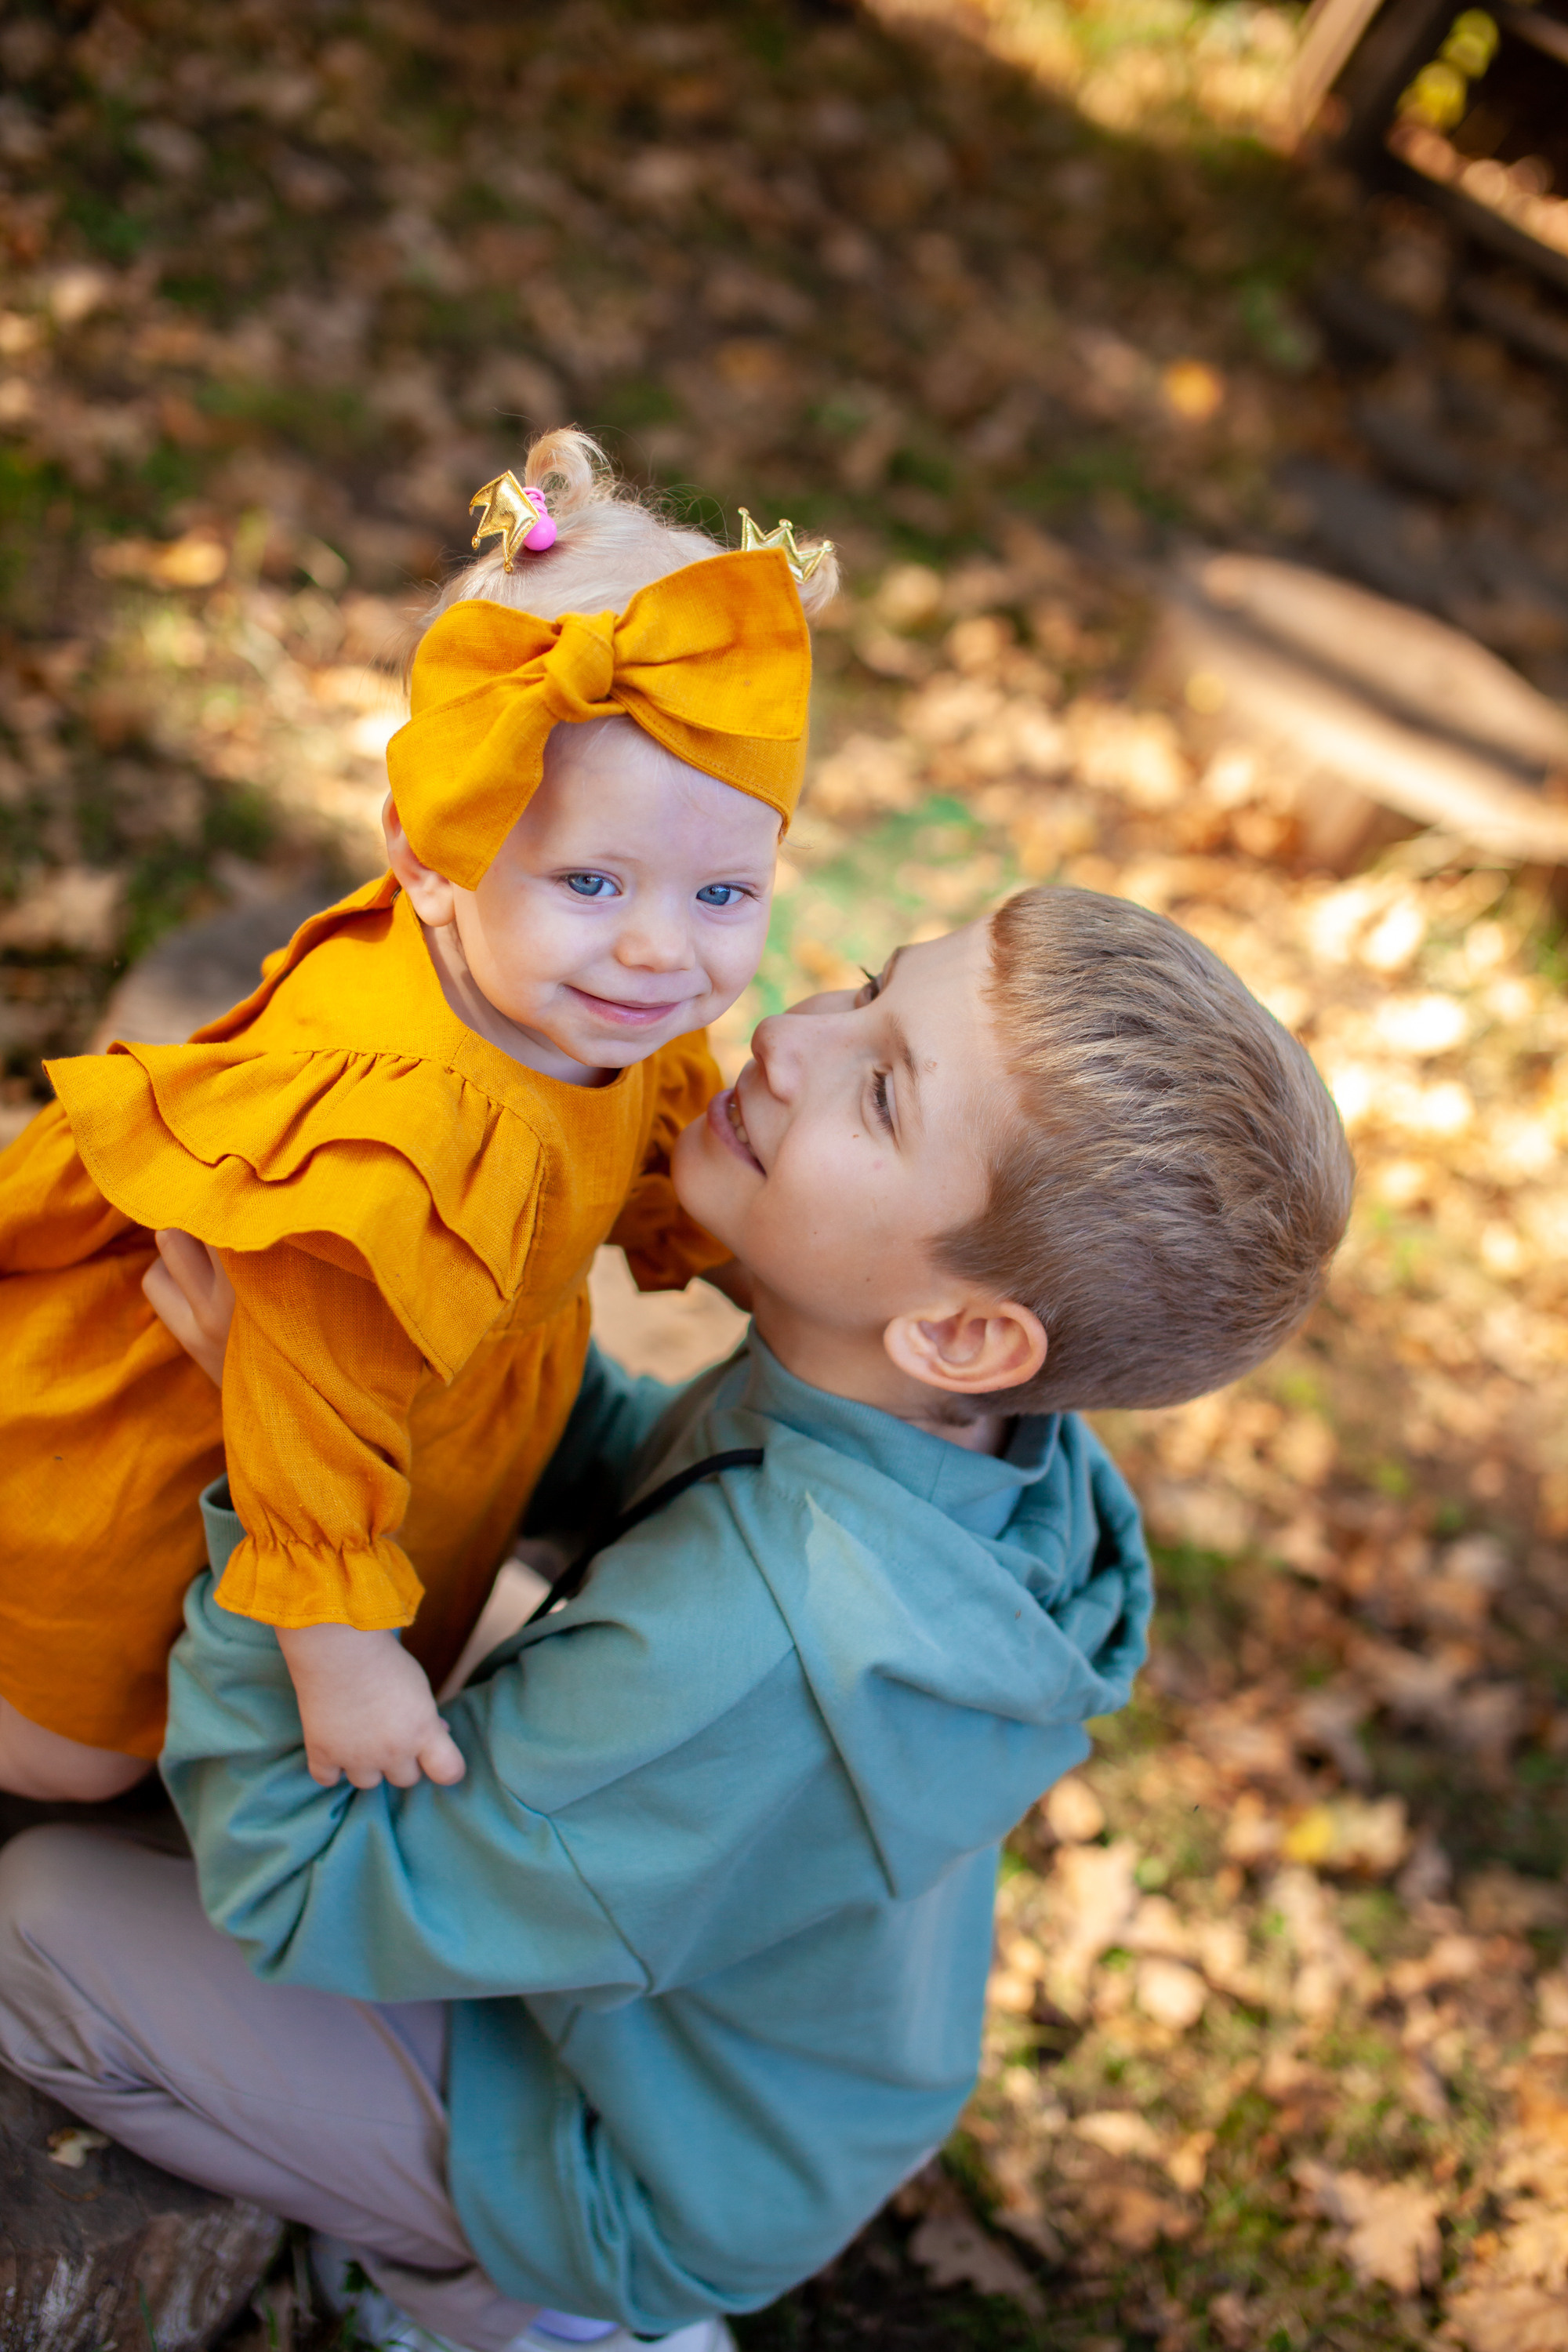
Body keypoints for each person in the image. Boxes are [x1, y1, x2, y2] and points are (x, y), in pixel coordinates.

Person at [0, 885, 1353, 2350]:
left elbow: (301, 1882)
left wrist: (296, 1462)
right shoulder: (940, 1431)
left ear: (964, 1332)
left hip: (626, 2155)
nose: (789, 1039)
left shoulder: (754, 1647)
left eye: (882, 1092)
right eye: (867, 986)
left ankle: (510, 2302)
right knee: (465, 1672)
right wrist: (400, 1338)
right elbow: (628, 1462)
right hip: (736, 2050)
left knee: (41, 1926)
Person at [0, 426, 838, 1804]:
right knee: (70, 1749)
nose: (661, 952)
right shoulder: (403, 1133)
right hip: (201, 1443)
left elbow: (652, 1163)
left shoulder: (596, 1011)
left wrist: (799, 1284)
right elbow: (305, 1400)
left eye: (723, 894)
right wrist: (346, 1657)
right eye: (590, 883)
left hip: (420, 1425)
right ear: (430, 858)